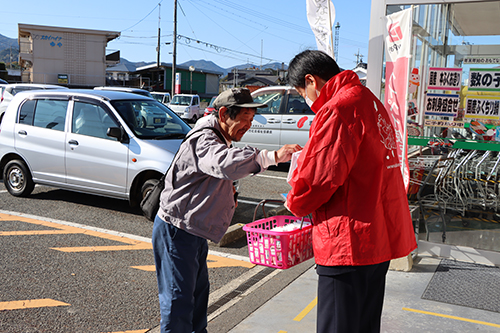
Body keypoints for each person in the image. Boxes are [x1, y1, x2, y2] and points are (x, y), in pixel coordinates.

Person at [285, 50, 417, 333]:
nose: (305, 100)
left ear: (311, 80)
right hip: (377, 238)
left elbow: (318, 180)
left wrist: (294, 200)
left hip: (347, 242)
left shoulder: (337, 108)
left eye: (301, 92)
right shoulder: (370, 101)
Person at [152, 87, 301, 333]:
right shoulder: (204, 139)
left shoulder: (220, 135)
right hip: (177, 230)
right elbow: (223, 163)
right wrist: (272, 156)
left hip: (194, 230)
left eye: (251, 121)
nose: (248, 126)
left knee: (198, 297)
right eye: (244, 120)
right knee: (178, 302)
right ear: (223, 114)